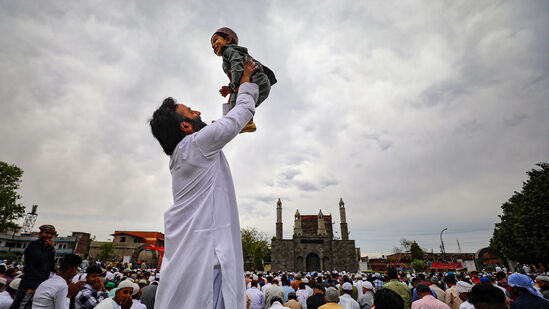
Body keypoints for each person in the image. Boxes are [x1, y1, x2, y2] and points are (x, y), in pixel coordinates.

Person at [150, 59, 259, 309]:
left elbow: (226, 129)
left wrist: (233, 93)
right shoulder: (197, 144)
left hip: (190, 256)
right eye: (191, 111)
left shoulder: (182, 155)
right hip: (207, 261)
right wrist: (245, 85)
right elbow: (238, 119)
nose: (198, 111)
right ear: (186, 127)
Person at [211, 27, 276, 133]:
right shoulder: (225, 62)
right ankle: (233, 121)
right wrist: (230, 88)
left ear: (228, 40)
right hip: (259, 83)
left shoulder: (229, 50)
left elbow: (237, 64)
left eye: (215, 40)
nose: (213, 45)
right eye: (211, 45)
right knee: (238, 102)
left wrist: (233, 85)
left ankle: (241, 121)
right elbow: (235, 78)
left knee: (239, 99)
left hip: (257, 78)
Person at [10, 225, 57, 309]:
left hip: (41, 284)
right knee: (21, 305)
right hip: (29, 283)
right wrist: (50, 248)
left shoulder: (49, 248)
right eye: (47, 233)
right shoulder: (33, 245)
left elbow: (51, 266)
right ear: (40, 234)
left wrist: (51, 250)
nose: (49, 236)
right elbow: (38, 261)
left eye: (51, 234)